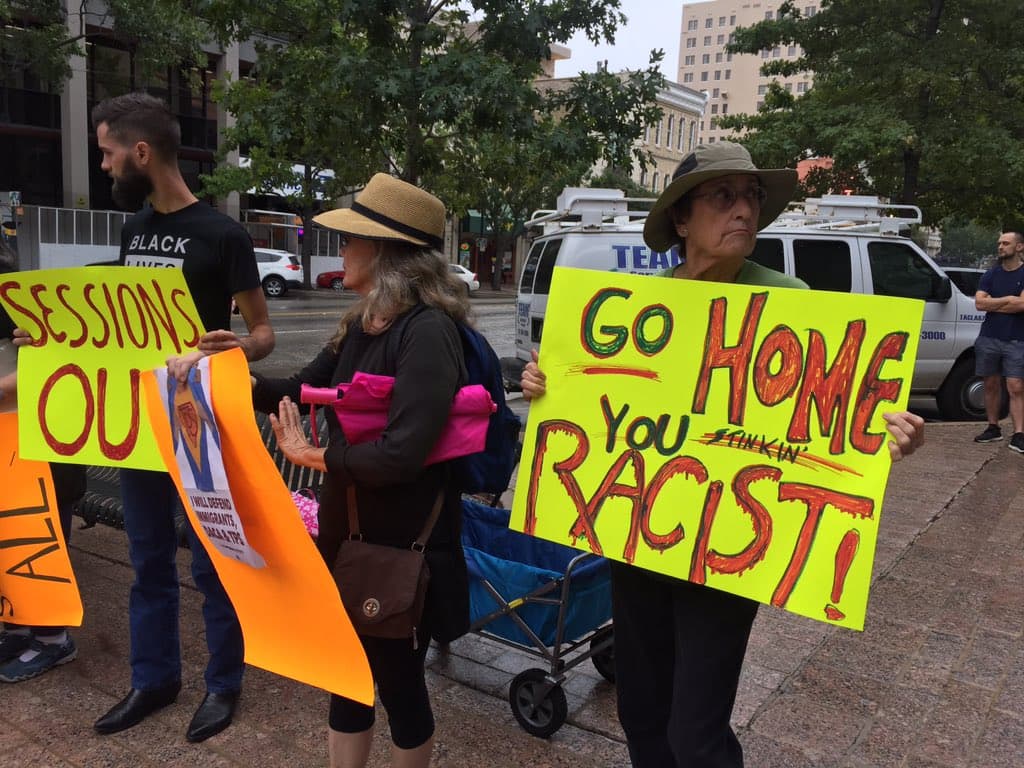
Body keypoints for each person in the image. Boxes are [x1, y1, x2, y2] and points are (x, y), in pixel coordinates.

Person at [520, 142, 926, 768]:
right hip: (640, 539)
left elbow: (828, 417)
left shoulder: (788, 298)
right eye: (723, 197)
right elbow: (595, 400)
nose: (743, 211)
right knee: (640, 714)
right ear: (682, 219)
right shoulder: (640, 308)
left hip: (728, 550)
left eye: (751, 198)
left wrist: (888, 432)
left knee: (698, 734)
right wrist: (548, 385)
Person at [251, 173, 470, 768]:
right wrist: (231, 372)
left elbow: (404, 454)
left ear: (384, 252)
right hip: (349, 532)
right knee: (345, 674)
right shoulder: (360, 321)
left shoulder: (427, 332)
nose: (340, 251)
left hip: (404, 544)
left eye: (350, 241)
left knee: (399, 684)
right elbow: (299, 390)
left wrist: (316, 457)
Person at [77, 92, 275, 741]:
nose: (103, 166)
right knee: (147, 557)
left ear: (140, 152)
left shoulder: (224, 234)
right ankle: (154, 678)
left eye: (107, 153)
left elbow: (264, 332)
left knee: (211, 561)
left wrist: (234, 345)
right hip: (141, 424)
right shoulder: (133, 231)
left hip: (201, 424)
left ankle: (223, 683)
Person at [0, 260, 88, 684]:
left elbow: (63, 356)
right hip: (14, 436)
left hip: (38, 438)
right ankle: (16, 626)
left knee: (36, 535)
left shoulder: (25, 296)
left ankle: (52, 637)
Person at [972, 230, 1024, 450]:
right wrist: (1008, 300)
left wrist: (996, 302)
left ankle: (1019, 434)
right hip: (989, 337)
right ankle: (993, 427)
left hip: (1017, 339)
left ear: (1019, 247)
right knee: (990, 384)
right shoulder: (991, 274)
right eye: (999, 243)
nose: (1000, 247)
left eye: (1006, 243)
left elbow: (1022, 305)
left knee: (1016, 386)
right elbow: (979, 303)